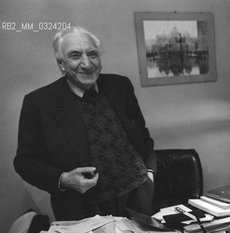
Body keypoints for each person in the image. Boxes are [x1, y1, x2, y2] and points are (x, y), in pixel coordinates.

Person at [14, 26, 157, 221]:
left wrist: (149, 173)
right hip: (83, 209)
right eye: (75, 55)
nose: (86, 63)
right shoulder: (39, 103)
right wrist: (63, 179)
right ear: (61, 64)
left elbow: (142, 135)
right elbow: (25, 162)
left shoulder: (120, 86)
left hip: (138, 197)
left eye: (92, 54)